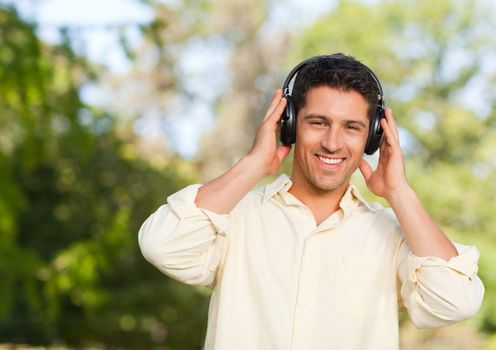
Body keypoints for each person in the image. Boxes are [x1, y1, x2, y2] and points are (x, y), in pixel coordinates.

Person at [138, 54, 484, 350]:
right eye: (317, 122)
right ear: (287, 125)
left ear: (373, 136)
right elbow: (162, 245)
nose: (332, 143)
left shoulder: (392, 236)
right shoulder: (236, 217)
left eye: (351, 127)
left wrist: (400, 193)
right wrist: (253, 165)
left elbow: (456, 302)